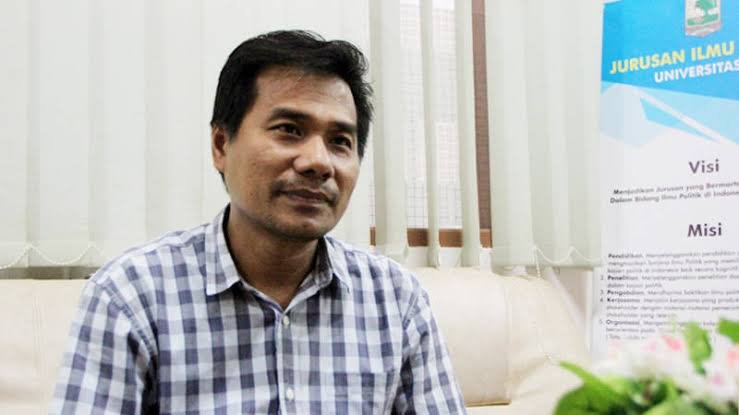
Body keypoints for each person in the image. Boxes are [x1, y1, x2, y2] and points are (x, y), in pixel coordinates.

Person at [50, 30, 465, 414]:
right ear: (221, 145)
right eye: (289, 130)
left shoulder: (395, 300)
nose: (318, 162)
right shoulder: (131, 296)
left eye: (340, 141)